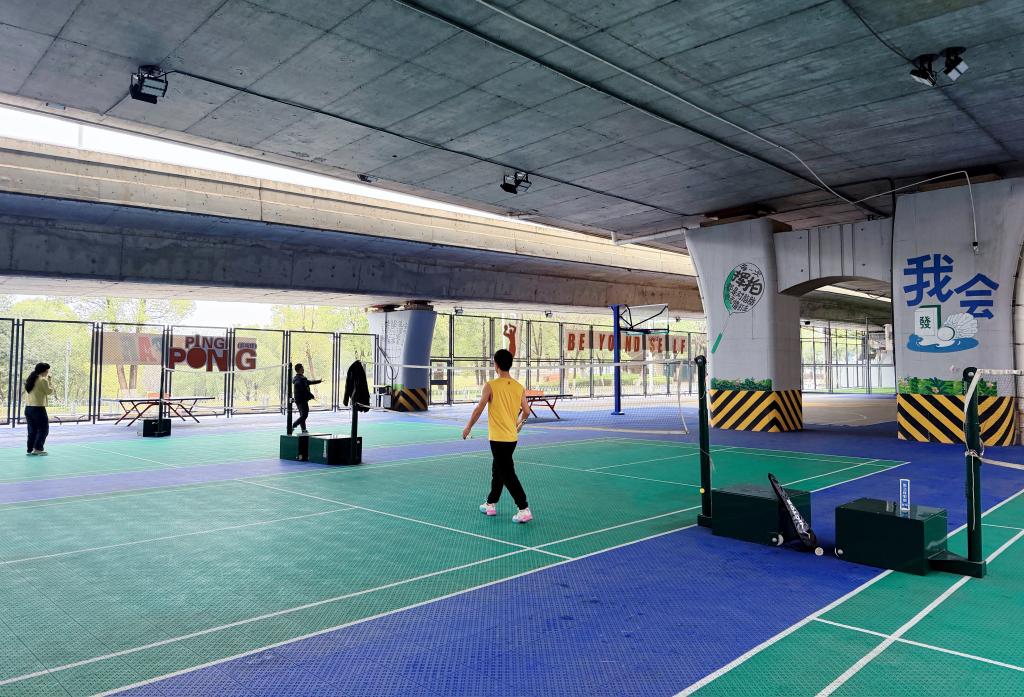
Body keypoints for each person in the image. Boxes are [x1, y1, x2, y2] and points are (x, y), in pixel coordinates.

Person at [463, 349, 532, 523]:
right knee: (498, 470)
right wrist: (519, 424)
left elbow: (479, 408)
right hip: (512, 438)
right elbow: (526, 411)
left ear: (496, 364)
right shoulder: (518, 387)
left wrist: (468, 426)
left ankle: (523, 508)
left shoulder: (491, 385)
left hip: (498, 438)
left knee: (507, 473)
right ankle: (491, 503)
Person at [24, 362, 53, 456]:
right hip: (38, 408)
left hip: (28, 408)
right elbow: (49, 391)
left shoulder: (30, 379)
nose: (47, 373)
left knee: (32, 430)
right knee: (44, 429)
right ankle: (38, 449)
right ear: (43, 371)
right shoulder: (43, 380)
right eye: (47, 371)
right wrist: (49, 381)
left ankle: (30, 449)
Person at [291, 363, 322, 433]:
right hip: (302, 400)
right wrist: (311, 395)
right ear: (299, 369)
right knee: (305, 415)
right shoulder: (300, 379)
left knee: (302, 415)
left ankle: (303, 429)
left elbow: (308, 382)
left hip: (299, 399)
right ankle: (293, 425)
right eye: (302, 368)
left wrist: (319, 381)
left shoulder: (299, 378)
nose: (303, 369)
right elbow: (304, 389)